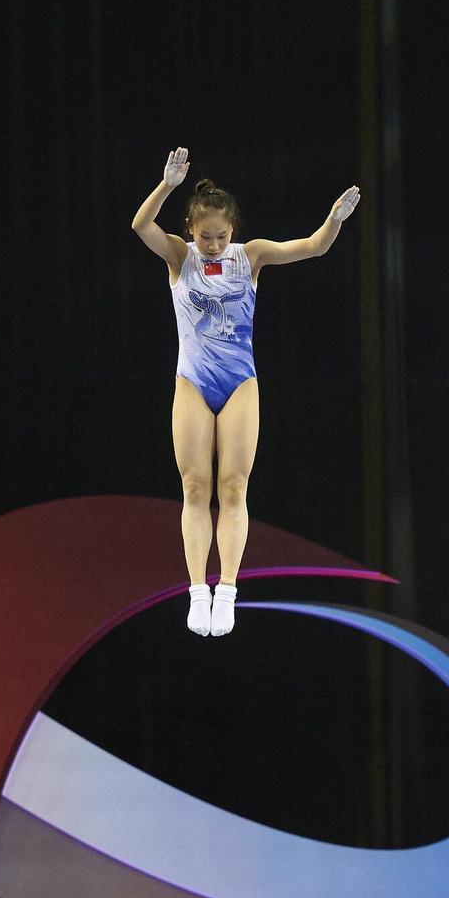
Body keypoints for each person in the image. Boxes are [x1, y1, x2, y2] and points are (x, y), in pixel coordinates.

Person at [131, 147, 361, 635]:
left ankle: (228, 590)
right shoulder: (179, 256)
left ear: (233, 231)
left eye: (221, 236)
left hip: (239, 383)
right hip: (192, 380)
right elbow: (141, 227)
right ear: (191, 230)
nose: (214, 244)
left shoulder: (249, 256)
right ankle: (197, 589)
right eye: (206, 236)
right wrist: (167, 185)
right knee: (195, 487)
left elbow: (314, 247)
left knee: (233, 487)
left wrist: (334, 219)